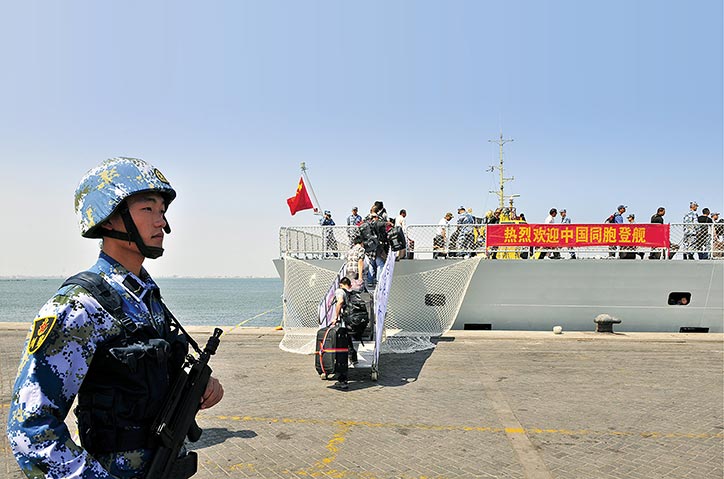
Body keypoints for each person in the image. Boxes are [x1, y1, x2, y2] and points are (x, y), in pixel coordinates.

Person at [7, 157, 224, 479]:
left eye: (163, 212)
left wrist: (201, 384)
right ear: (108, 218)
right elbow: (31, 430)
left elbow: (146, 375)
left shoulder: (145, 296)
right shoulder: (78, 307)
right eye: (147, 210)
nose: (161, 223)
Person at [331, 277, 358, 390]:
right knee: (348, 341)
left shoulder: (339, 291)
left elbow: (340, 302)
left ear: (340, 284)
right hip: (353, 322)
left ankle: (343, 380)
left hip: (343, 322)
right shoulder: (353, 293)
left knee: (341, 349)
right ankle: (353, 357)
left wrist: (335, 317)